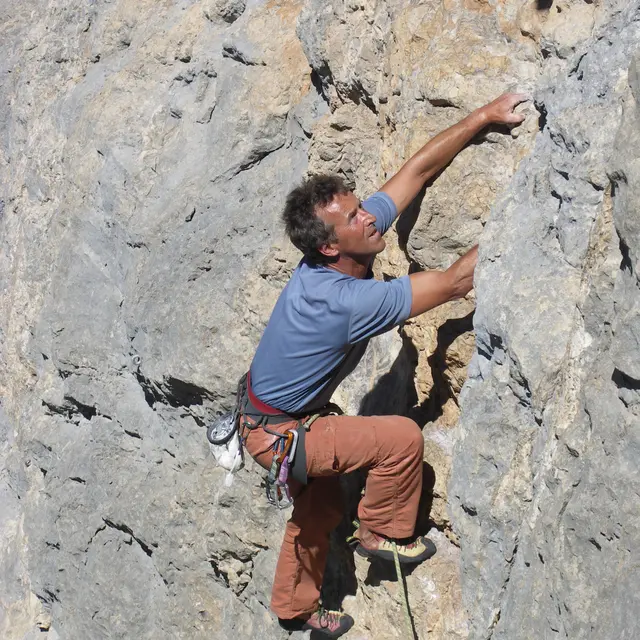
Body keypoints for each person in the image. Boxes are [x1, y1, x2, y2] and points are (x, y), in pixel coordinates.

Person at [239, 93, 528, 638]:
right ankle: (381, 533)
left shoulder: (338, 247)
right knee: (399, 438)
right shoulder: (346, 302)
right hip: (279, 433)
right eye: (354, 216)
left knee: (320, 508)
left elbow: (414, 172)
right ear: (329, 246)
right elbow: (456, 282)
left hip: (272, 418)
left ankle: (292, 608)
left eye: (360, 205)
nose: (369, 216)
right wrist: (528, 215)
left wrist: (484, 115)